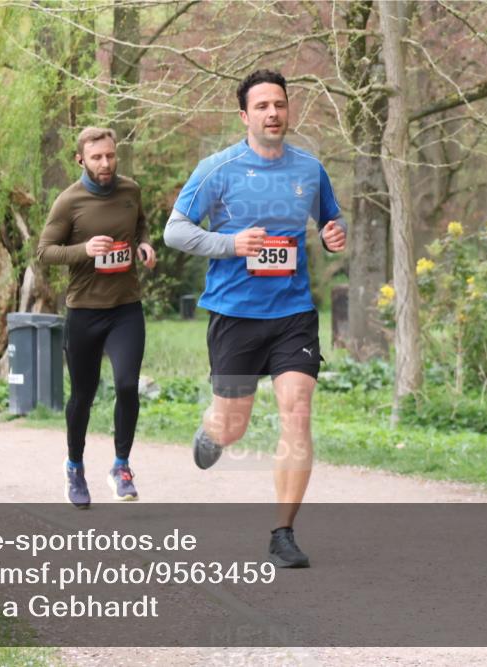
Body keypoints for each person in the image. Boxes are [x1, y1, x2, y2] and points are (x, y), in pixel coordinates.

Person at [164, 69, 347, 567]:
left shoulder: (309, 170)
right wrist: (231, 244)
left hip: (293, 313)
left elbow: (331, 217)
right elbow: (175, 232)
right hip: (235, 315)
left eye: (280, 104)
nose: (273, 112)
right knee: (234, 424)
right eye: (262, 105)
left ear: (289, 111)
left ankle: (283, 533)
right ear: (244, 116)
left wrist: (335, 233)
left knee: (298, 408)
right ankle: (212, 431)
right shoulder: (217, 169)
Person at [37, 127, 156, 509]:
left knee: (126, 386)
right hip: (85, 311)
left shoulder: (130, 190)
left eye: (110, 155)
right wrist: (84, 249)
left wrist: (144, 245)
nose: (105, 163)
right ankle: (74, 466)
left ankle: (121, 466)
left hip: (126, 308)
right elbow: (45, 252)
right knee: (83, 396)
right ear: (81, 160)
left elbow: (140, 224)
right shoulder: (68, 202)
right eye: (96, 157)